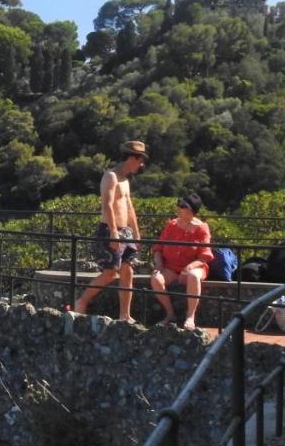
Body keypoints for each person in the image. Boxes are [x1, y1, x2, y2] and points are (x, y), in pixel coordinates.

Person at [73, 140, 147, 320]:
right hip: (109, 230)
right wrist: (114, 233)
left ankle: (125, 315)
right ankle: (81, 301)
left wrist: (136, 234)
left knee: (128, 271)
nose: (141, 164)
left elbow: (129, 208)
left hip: (126, 231)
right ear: (131, 158)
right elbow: (107, 205)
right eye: (140, 160)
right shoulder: (111, 176)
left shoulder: (126, 181)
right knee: (110, 273)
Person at [150, 192, 214, 330]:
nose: (178, 208)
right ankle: (169, 313)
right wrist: (159, 264)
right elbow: (158, 248)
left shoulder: (202, 228)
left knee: (193, 276)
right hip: (171, 267)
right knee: (156, 279)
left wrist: (190, 267)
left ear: (191, 210)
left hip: (196, 266)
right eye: (179, 205)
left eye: (182, 206)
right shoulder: (171, 225)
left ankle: (190, 316)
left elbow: (205, 256)